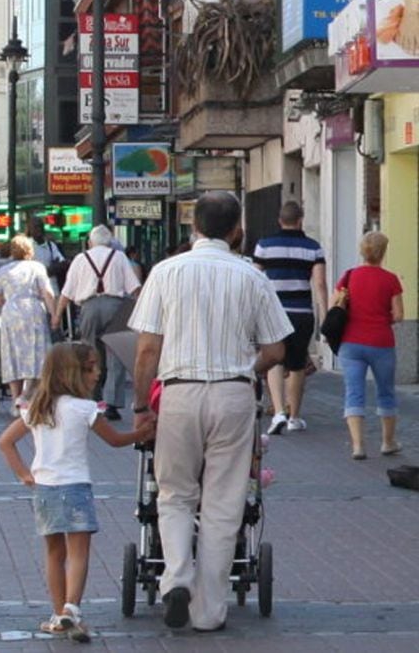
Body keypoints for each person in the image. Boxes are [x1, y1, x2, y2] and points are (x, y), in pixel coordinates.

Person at [130, 191, 291, 633]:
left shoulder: (165, 272)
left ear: (193, 227)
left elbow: (147, 349)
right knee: (223, 505)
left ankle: (176, 577)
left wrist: (143, 405)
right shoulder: (252, 277)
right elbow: (276, 349)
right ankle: (208, 612)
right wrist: (244, 367)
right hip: (233, 396)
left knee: (175, 493)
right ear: (237, 230)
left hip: (179, 393)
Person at [0, 342, 152, 641]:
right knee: (78, 552)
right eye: (91, 368)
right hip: (76, 488)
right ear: (74, 373)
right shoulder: (85, 408)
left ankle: (58, 616)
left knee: (54, 553)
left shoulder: (38, 407)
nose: (97, 373)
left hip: (45, 490)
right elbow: (116, 441)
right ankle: (72, 610)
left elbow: (5, 442)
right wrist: (143, 433)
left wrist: (24, 474)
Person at [253, 201, 328, 435]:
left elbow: (254, 279)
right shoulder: (313, 247)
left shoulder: (264, 246)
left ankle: (278, 413)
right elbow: (320, 283)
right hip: (301, 313)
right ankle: (294, 416)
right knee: (296, 365)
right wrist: (324, 314)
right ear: (300, 220)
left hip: (273, 313)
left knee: (274, 360)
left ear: (279, 220)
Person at [54, 225, 141, 419]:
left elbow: (67, 292)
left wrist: (57, 316)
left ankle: (92, 398)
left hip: (89, 307)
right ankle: (111, 403)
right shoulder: (119, 257)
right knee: (116, 355)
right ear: (110, 242)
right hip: (117, 307)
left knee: (89, 354)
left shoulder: (80, 259)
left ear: (89, 242)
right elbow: (134, 287)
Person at [336, 231, 404, 460]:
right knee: (386, 392)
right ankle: (388, 442)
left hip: (351, 343)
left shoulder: (349, 276)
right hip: (381, 342)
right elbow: (399, 314)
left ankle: (358, 446)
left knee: (354, 393)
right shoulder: (391, 279)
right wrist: (383, 317)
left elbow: (335, 307)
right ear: (383, 252)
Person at [0, 234, 56, 413]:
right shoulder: (37, 267)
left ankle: (15, 401)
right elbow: (47, 293)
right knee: (37, 353)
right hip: (33, 310)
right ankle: (27, 394)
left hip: (11, 312)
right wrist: (54, 315)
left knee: (13, 354)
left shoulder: (4, 270)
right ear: (30, 250)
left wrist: (6, 304)